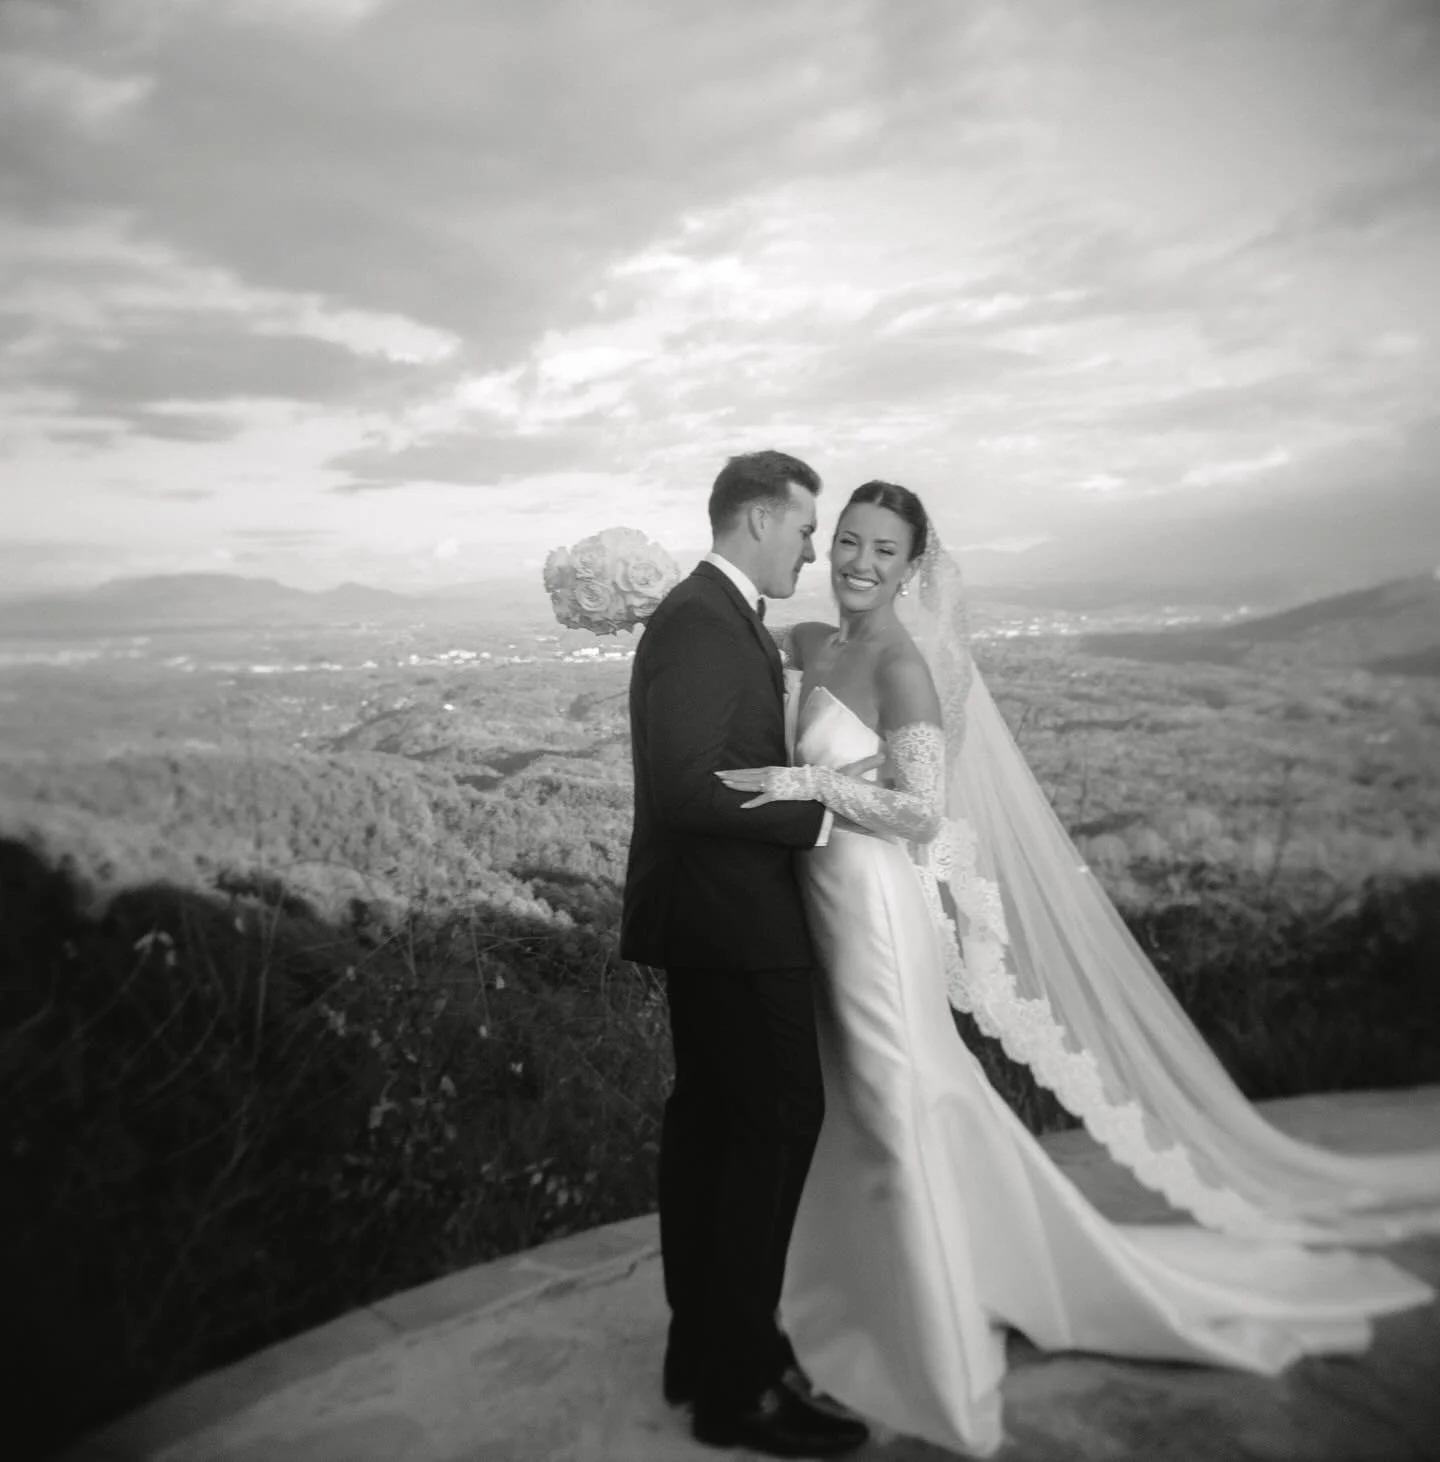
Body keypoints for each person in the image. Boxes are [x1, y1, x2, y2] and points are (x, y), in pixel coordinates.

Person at [717, 480, 1439, 1456]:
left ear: (911, 566)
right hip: (822, 910)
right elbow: (725, 641)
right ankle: (863, 1298)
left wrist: (807, 781)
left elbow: (924, 810)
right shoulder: (809, 643)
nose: (857, 561)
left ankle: (928, 1347)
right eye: (847, 540)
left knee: (897, 1100)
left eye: (884, 550)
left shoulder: (901, 665)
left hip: (879, 913)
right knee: (859, 1106)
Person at [620, 450, 870, 1456]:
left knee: (716, 1135)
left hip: (716, 921)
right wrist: (816, 814)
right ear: (760, 519)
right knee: (767, 1132)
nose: (814, 551)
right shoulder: (698, 620)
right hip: (732, 925)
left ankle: (703, 1353)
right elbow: (688, 783)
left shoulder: (714, 617)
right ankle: (742, 1384)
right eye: (807, 531)